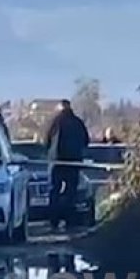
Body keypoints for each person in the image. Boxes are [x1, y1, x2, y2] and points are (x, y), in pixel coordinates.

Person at [44, 99, 90, 231]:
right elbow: (86, 141)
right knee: (71, 191)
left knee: (54, 190)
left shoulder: (54, 122)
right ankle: (70, 219)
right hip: (73, 161)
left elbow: (46, 140)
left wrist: (49, 153)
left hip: (56, 161)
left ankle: (54, 220)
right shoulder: (78, 122)